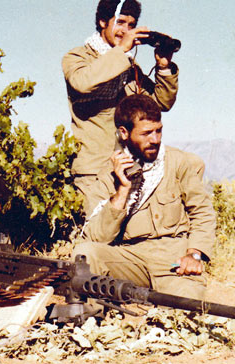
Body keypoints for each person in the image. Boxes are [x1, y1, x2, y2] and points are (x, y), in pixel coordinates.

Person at [73, 95, 216, 300]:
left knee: (186, 308)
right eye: (146, 133)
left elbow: (202, 212)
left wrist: (193, 254)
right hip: (130, 259)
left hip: (173, 261)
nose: (155, 140)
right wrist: (123, 189)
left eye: (158, 131)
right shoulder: (107, 177)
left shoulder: (177, 162)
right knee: (85, 255)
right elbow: (97, 238)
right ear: (124, 133)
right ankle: (93, 314)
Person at [62, 0, 179, 211]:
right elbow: (82, 83)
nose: (125, 31)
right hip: (94, 171)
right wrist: (122, 50)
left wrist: (164, 67)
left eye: (131, 25)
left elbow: (161, 103)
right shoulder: (78, 57)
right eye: (120, 22)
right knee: (95, 227)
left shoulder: (128, 67)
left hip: (129, 167)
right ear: (102, 21)